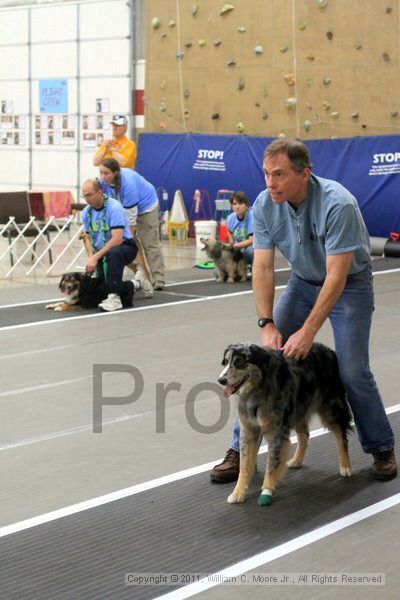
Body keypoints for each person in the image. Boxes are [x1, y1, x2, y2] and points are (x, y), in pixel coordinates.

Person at [211, 137, 397, 483]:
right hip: (302, 282)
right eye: (266, 173)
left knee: (353, 371)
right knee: (262, 359)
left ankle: (381, 446)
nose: (270, 182)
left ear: (304, 173)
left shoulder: (337, 204)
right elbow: (264, 268)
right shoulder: (265, 204)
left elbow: (336, 276)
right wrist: (266, 323)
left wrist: (309, 331)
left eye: (279, 174)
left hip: (349, 285)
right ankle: (239, 448)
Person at [99, 158, 166, 293]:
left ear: (115, 173)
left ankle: (158, 278)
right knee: (127, 245)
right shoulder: (102, 183)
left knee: (149, 243)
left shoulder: (127, 183)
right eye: (101, 173)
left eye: (106, 173)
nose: (103, 177)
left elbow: (131, 219)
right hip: (125, 208)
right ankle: (143, 277)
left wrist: (128, 239)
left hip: (146, 206)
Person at [80, 178, 137, 312]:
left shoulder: (114, 207)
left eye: (89, 195)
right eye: (84, 196)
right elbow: (87, 236)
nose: (87, 199)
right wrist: (91, 257)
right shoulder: (86, 212)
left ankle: (114, 298)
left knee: (113, 253)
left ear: (99, 192)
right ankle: (134, 284)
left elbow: (117, 240)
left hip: (125, 246)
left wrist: (96, 257)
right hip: (102, 250)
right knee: (99, 290)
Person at [227, 191, 254, 269]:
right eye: (234, 204)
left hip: (250, 247)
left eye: (240, 203)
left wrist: (234, 246)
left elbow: (252, 240)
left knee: (250, 251)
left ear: (246, 205)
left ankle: (253, 268)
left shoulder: (251, 216)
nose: (237, 207)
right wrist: (231, 245)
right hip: (237, 248)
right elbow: (229, 232)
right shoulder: (230, 218)